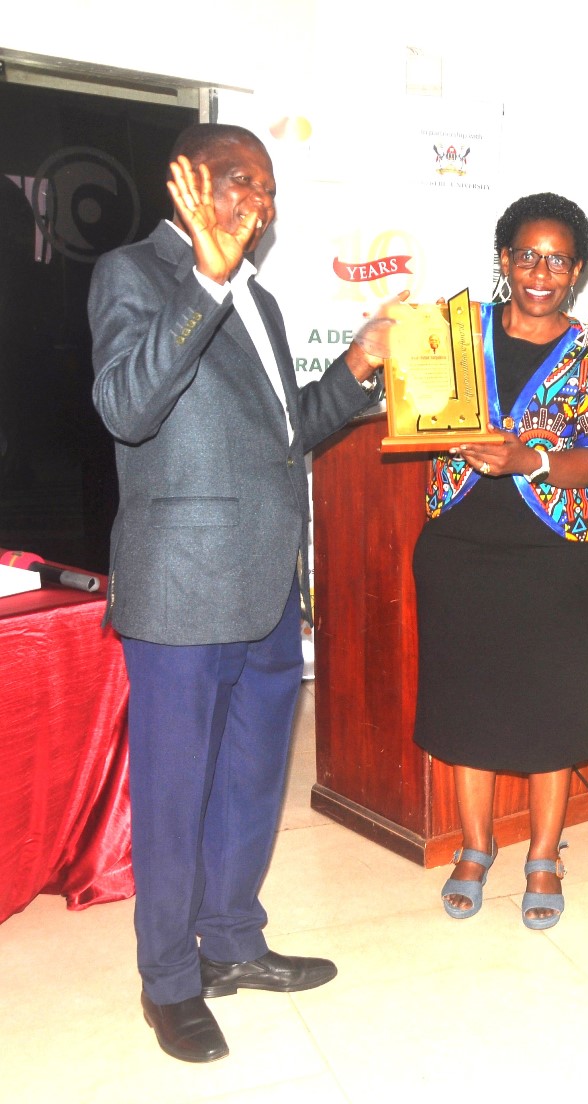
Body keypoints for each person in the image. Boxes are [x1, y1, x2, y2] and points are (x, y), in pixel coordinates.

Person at [88, 124, 388, 1063]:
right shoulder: (134, 275)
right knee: (176, 795)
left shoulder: (261, 302)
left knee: (254, 782)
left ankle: (234, 944)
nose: (254, 203)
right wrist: (205, 285)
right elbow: (128, 405)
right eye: (235, 182)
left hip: (265, 584)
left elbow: (287, 431)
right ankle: (169, 980)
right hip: (181, 590)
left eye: (265, 189)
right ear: (184, 183)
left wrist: (356, 368)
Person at [412, 193, 588, 930]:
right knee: (465, 701)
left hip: (556, 555)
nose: (542, 271)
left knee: (552, 707)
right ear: (503, 259)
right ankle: (475, 847)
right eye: (527, 255)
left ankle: (543, 853)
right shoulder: (450, 332)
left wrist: (529, 459)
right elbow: (414, 420)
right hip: (459, 547)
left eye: (558, 259)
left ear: (578, 271)